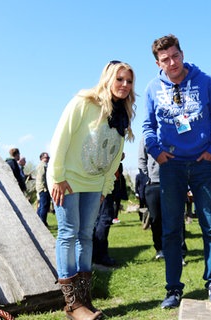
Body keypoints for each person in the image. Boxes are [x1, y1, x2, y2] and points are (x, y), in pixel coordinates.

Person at [142, 34, 211, 308]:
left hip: (203, 164)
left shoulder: (205, 82)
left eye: (175, 55)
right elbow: (146, 126)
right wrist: (156, 152)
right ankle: (173, 289)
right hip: (171, 167)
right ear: (158, 62)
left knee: (210, 224)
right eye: (165, 59)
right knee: (171, 230)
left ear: (182, 53)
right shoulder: (152, 89)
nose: (172, 62)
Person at [47, 60, 136, 319]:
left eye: (129, 81)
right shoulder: (83, 103)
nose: (124, 85)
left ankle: (85, 299)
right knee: (67, 233)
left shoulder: (121, 114)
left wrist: (104, 188)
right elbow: (61, 138)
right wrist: (57, 176)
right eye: (119, 79)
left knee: (86, 236)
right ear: (107, 79)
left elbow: (115, 157)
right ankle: (73, 305)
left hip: (94, 185)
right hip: (69, 181)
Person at [138, 138, 188, 262]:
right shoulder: (145, 137)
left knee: (176, 218)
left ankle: (179, 252)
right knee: (155, 218)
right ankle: (160, 249)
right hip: (153, 183)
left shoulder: (172, 131)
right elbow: (141, 159)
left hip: (172, 181)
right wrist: (146, 178)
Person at [35, 152, 51, 227]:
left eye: (48, 157)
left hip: (42, 188)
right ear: (41, 158)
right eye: (46, 157)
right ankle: (42, 223)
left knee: (42, 205)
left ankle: (38, 221)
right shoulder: (43, 165)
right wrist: (45, 188)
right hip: (43, 188)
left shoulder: (44, 165)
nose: (47, 159)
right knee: (44, 205)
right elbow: (42, 178)